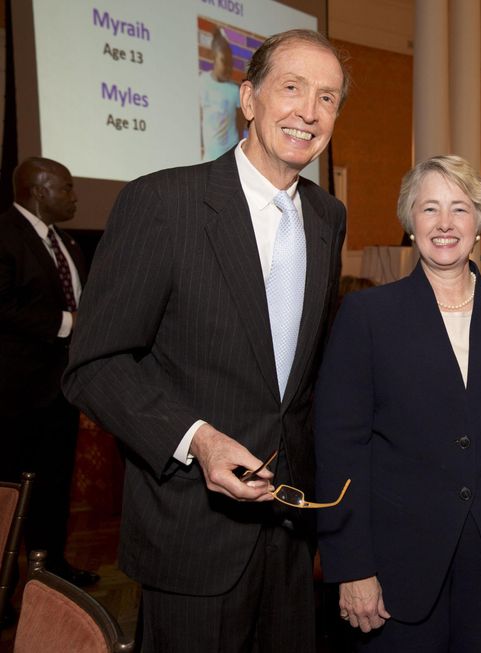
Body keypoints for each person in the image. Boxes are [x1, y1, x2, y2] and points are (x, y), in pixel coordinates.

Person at [63, 29, 349, 652]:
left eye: (327, 98)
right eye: (292, 88)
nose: (308, 111)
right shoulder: (163, 202)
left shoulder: (329, 218)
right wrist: (199, 438)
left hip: (291, 534)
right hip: (192, 530)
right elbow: (95, 365)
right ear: (248, 99)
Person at [315, 154, 481, 652]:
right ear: (410, 223)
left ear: (480, 222)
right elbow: (340, 447)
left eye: (459, 208)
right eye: (429, 208)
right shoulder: (367, 316)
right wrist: (351, 566)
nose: (444, 223)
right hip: (396, 565)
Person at [0, 157, 99, 589]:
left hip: (60, 392)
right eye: (67, 188)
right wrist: (68, 323)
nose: (75, 196)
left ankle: (50, 571)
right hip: (13, 396)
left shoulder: (69, 244)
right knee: (7, 494)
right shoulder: (4, 235)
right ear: (39, 191)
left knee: (54, 488)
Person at [199, 27, 244, 161]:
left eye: (231, 63)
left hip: (230, 159)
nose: (228, 67)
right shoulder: (202, 83)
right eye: (224, 61)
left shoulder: (234, 90)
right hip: (210, 158)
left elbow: (240, 125)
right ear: (213, 57)